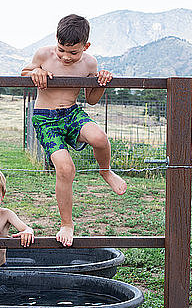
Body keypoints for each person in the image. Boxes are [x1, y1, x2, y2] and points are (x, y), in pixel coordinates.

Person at [21, 13, 126, 246]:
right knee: (66, 168)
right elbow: (24, 72)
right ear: (56, 40)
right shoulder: (43, 54)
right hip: (45, 118)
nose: (66, 57)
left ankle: (105, 171)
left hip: (71, 112)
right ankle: (66, 224)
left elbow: (92, 100)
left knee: (99, 138)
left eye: (73, 52)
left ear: (85, 46)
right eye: (62, 50)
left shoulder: (89, 63)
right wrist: (34, 72)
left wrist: (101, 80)